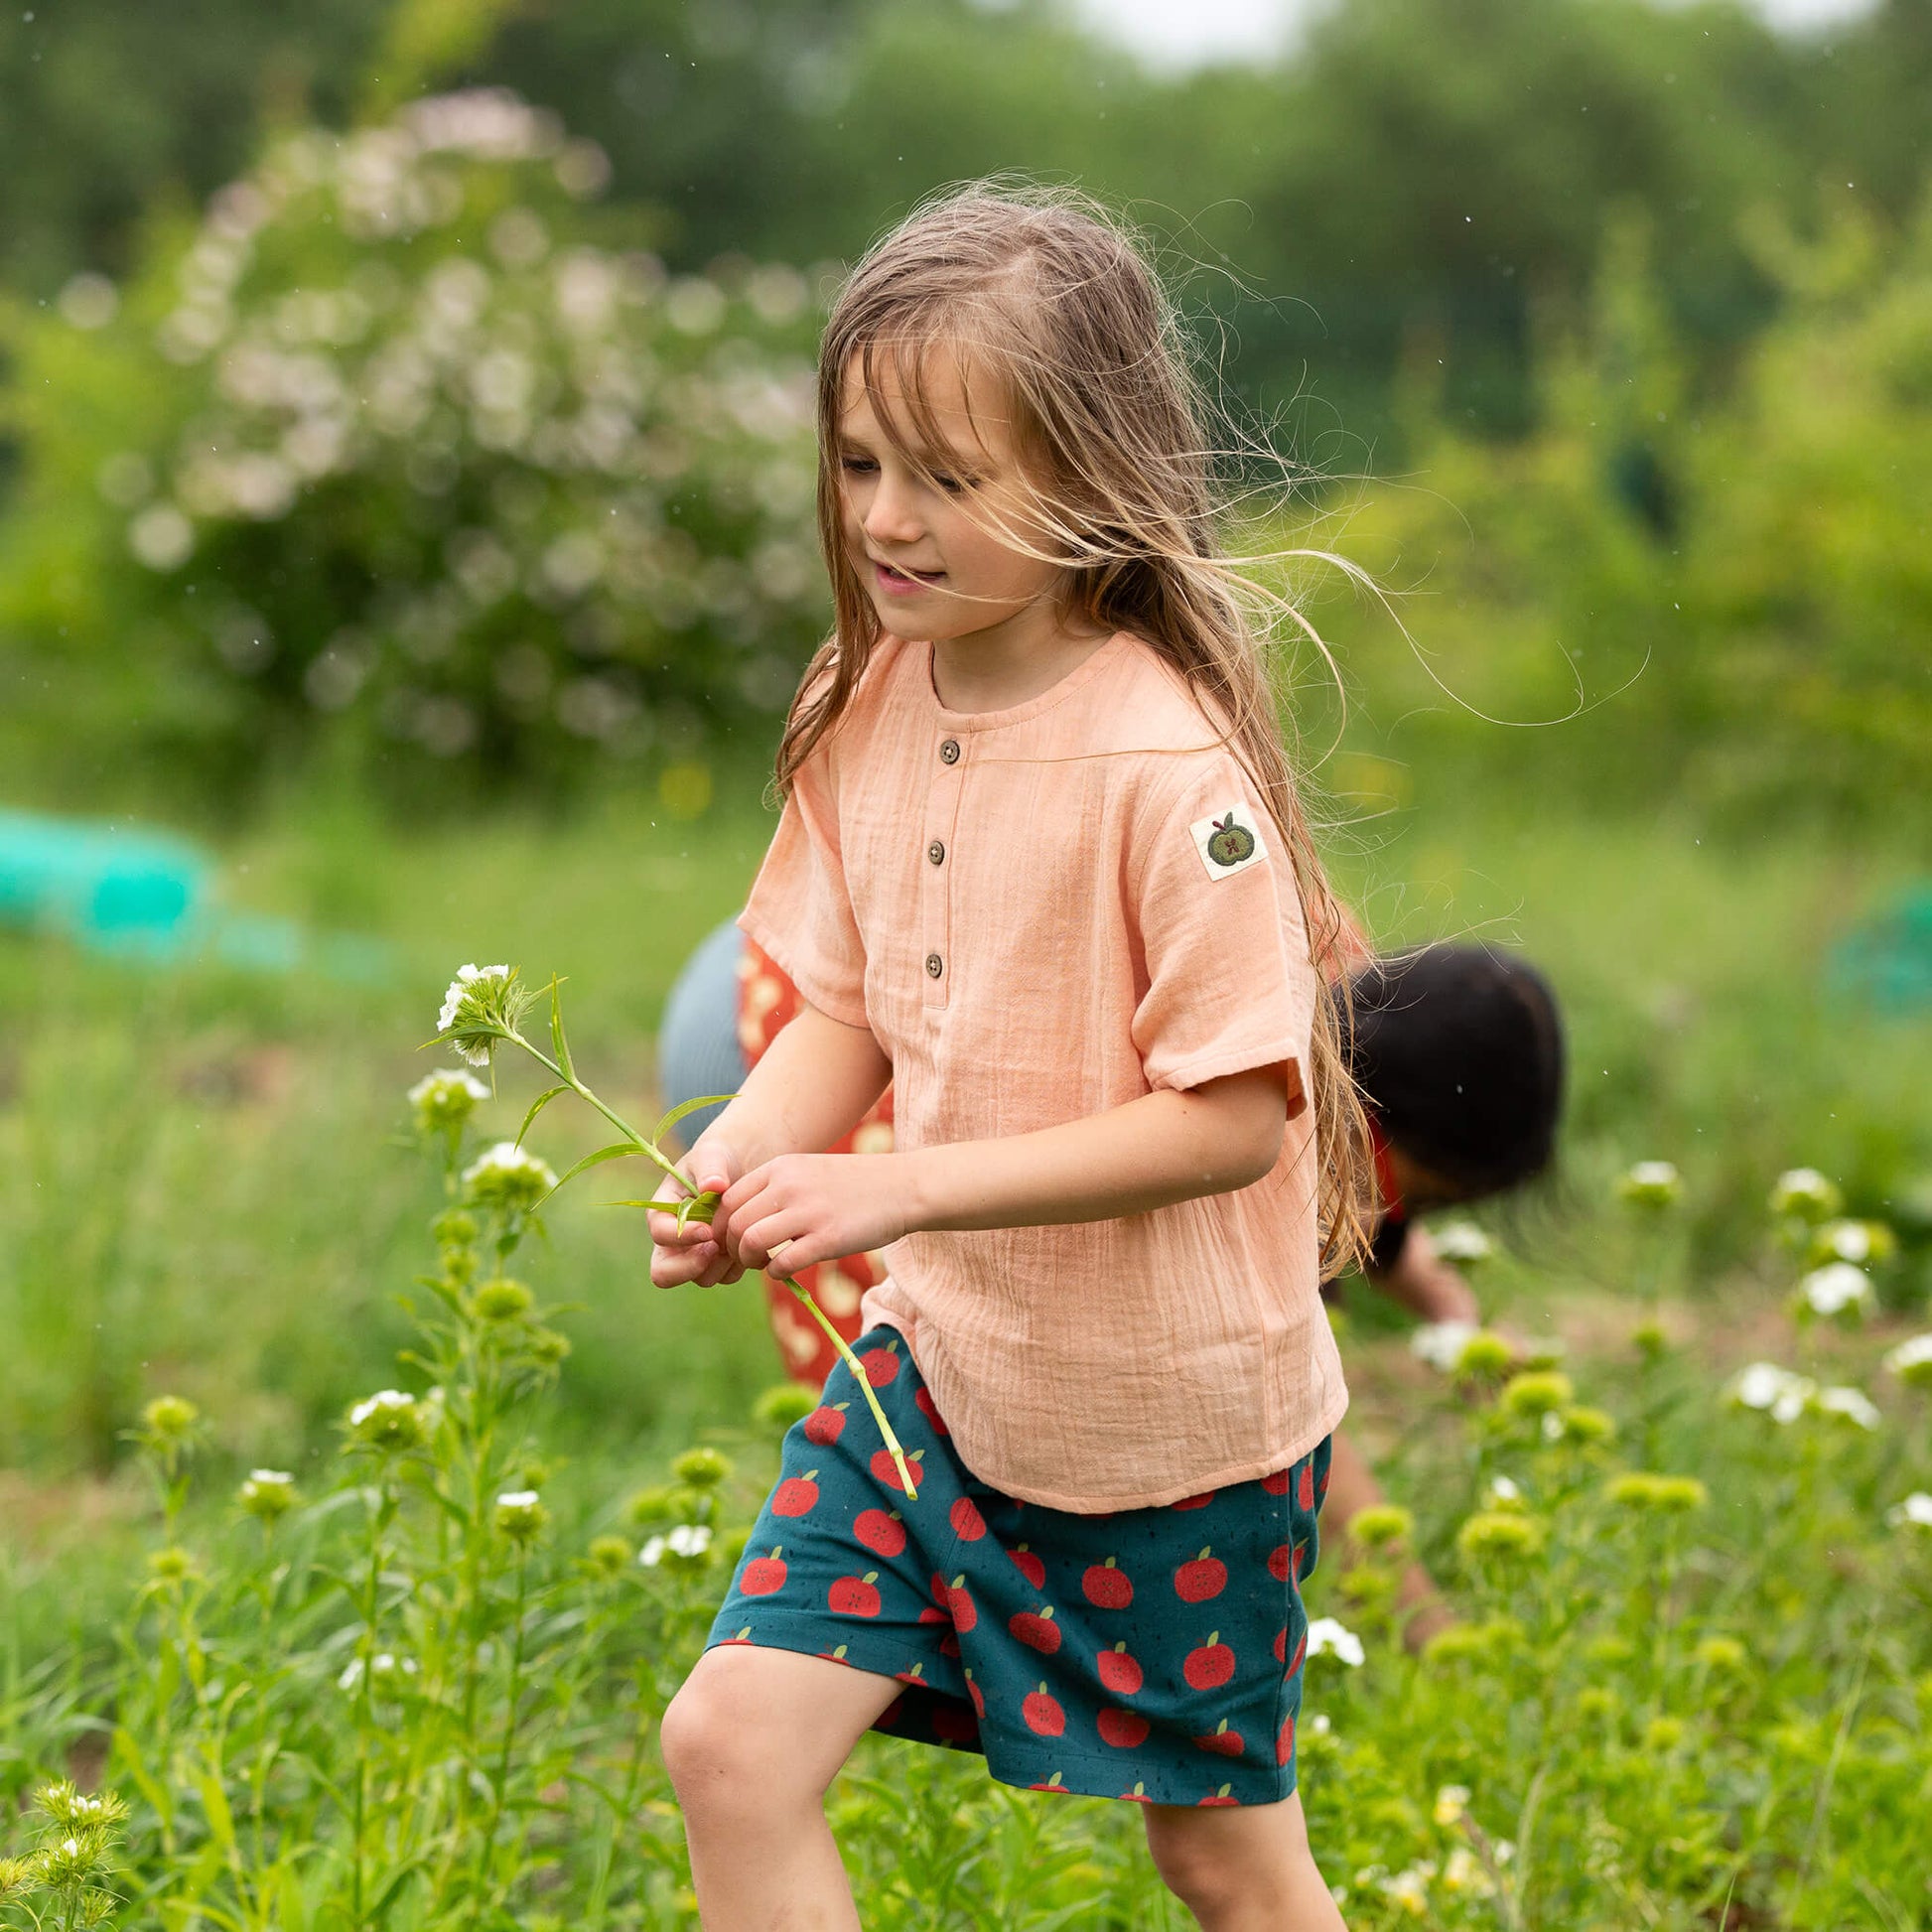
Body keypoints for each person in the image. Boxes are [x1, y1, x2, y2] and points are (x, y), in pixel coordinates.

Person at [648, 182, 1377, 1930]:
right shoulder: (866, 693)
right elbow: (849, 1004)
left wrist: (894, 1183)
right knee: (731, 1747)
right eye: (857, 464)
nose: (887, 521)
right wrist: (743, 1157)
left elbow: (1230, 1120)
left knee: (1223, 1858)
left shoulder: (1161, 766)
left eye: (948, 481)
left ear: (1092, 480)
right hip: (943, 1371)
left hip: (1170, 1421)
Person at [661, 928, 1566, 1649]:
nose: (1387, 1220)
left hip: (777, 950)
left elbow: (1377, 1213)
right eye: (1418, 1193)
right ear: (1384, 1132)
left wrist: (1456, 1318)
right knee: (921, 1418)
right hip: (770, 1046)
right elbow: (1296, 1406)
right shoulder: (1264, 1132)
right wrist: (1430, 1630)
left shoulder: (1326, 990)